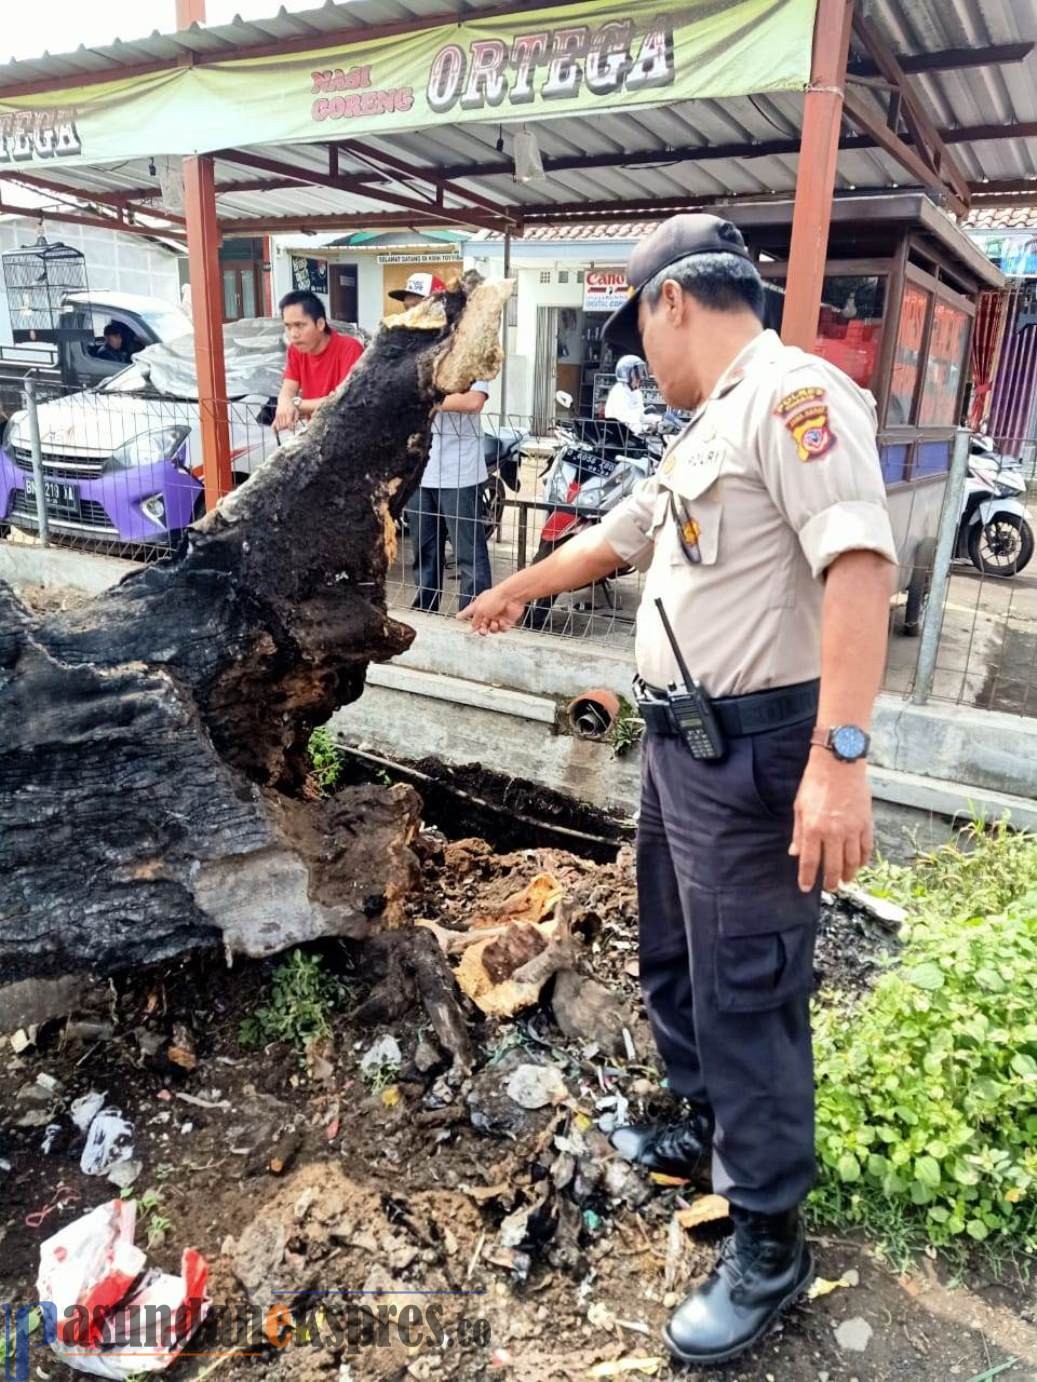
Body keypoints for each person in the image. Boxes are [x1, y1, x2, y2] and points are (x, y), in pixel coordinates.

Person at [458, 214, 898, 1367]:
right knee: (676, 955)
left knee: (747, 984)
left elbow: (858, 562)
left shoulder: (793, 398)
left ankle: (767, 1239)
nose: (636, 356)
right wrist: (516, 586)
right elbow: (624, 534)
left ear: (671, 303)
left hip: (758, 755)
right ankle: (703, 1121)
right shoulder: (704, 423)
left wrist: (839, 759)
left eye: (635, 328)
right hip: (679, 747)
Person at [392, 273, 493, 614]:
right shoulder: (408, 353)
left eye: (419, 305)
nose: (413, 313)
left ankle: (476, 612)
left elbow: (473, 401)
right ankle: (426, 609)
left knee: (468, 550)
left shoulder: (468, 345)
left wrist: (421, 398)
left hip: (458, 468)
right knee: (424, 548)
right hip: (420, 468)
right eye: (409, 307)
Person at [273, 290, 363, 432]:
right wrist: (284, 404)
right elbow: (288, 387)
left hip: (348, 433)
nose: (293, 334)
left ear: (320, 324)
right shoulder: (295, 350)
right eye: (288, 326)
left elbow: (343, 401)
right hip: (317, 434)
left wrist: (295, 404)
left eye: (300, 325)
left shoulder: (350, 348)